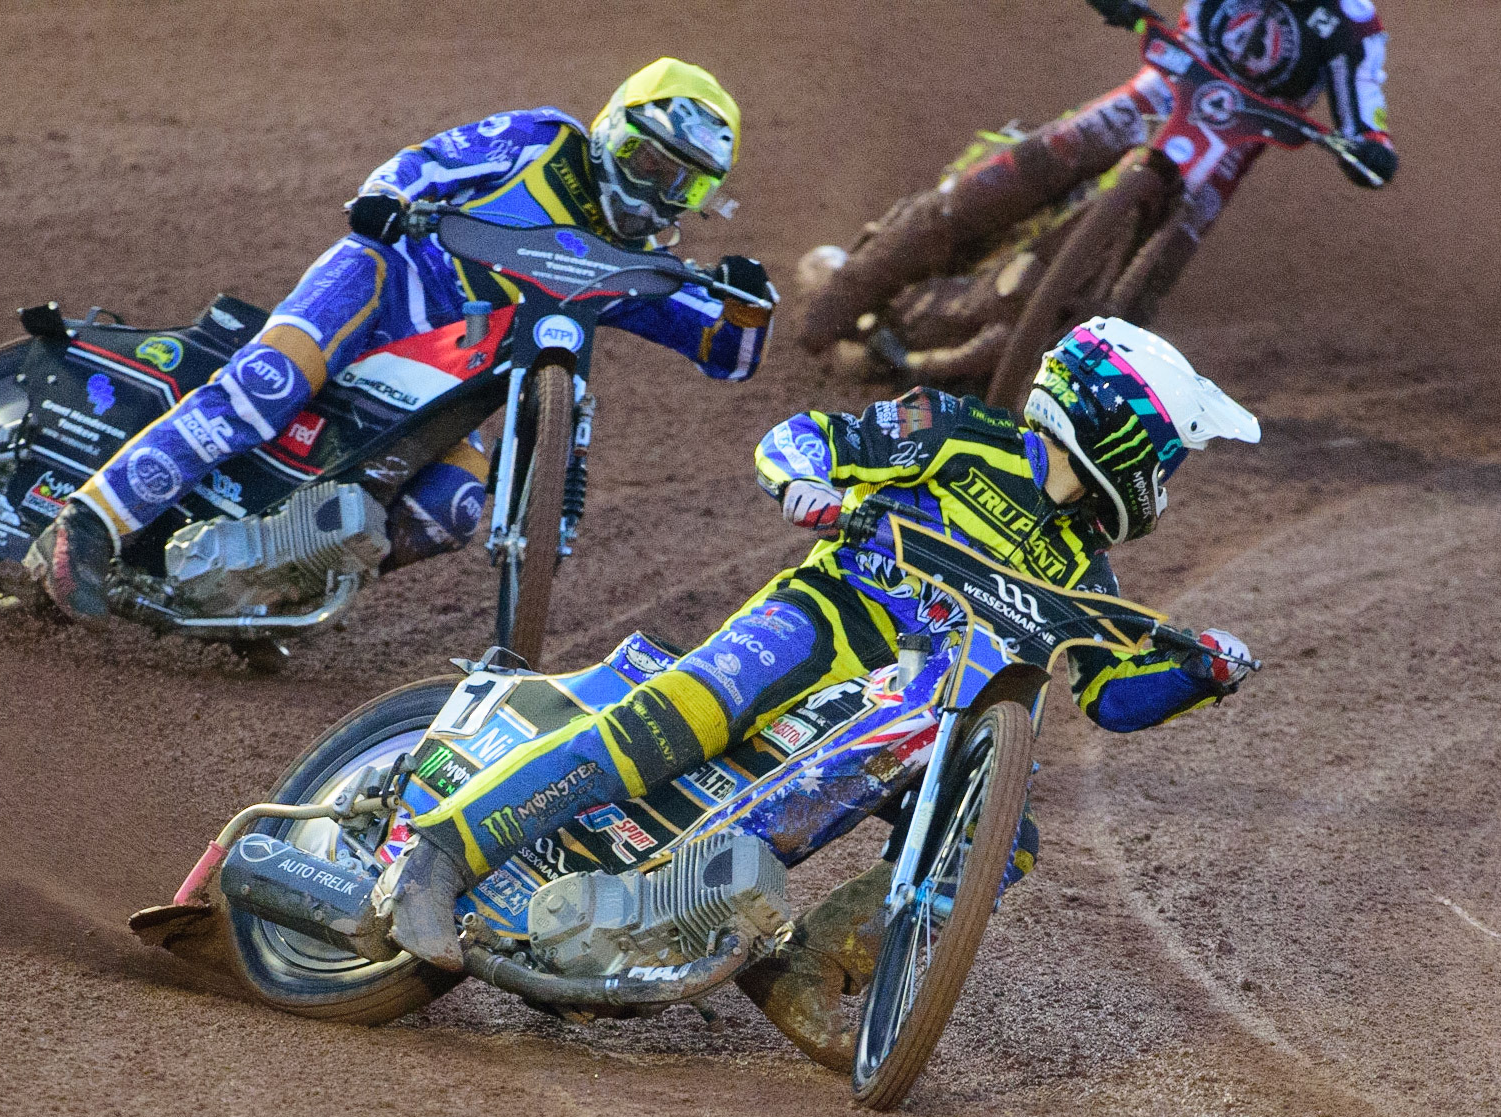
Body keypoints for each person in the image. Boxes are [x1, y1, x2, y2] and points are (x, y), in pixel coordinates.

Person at [377, 316, 1262, 1069]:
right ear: (1117, 428)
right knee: (691, 709)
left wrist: (1200, 674)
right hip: (825, 620)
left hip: (924, 713)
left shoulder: (1087, 574)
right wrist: (812, 488)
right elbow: (805, 438)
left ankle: (805, 968)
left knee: (1002, 839)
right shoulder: (957, 430)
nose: (1165, 482)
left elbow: (1111, 697)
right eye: (1167, 457)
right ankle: (439, 855)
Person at [32, 58, 777, 620]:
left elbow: (727, 353)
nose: (658, 195)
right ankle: (88, 521)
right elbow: (426, 164)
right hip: (382, 282)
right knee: (265, 389)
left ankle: (271, 590)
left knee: (452, 507)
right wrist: (386, 199)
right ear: (616, 130)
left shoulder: (634, 266)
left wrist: (749, 303)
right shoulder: (541, 141)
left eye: (685, 186)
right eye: (650, 164)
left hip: (450, 377)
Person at [797, 0, 1398, 353]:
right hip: (1156, 93)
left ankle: (1069, 385)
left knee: (1144, 288)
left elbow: (1366, 116)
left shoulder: (1354, 28)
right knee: (1015, 174)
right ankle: (847, 291)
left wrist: (1370, 151)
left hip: (1222, 155)